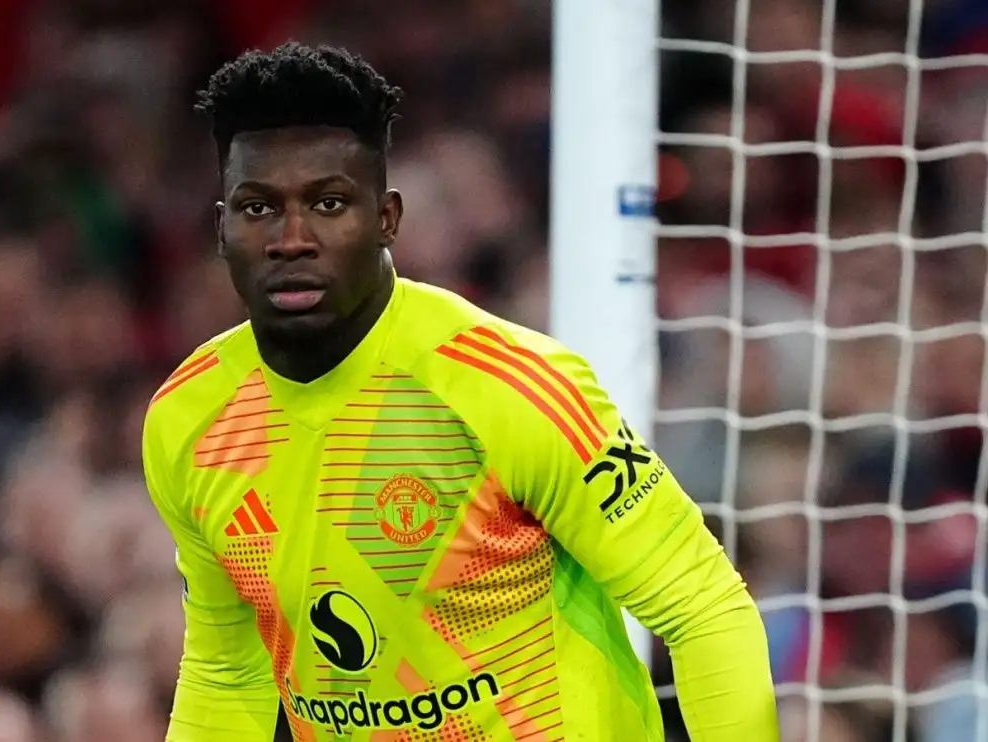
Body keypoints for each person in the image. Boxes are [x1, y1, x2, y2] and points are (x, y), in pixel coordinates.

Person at [141, 42, 778, 741]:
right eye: (259, 207)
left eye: (328, 203)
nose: (292, 238)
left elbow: (704, 606)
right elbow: (227, 671)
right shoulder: (190, 419)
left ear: (386, 218)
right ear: (222, 227)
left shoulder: (510, 386)